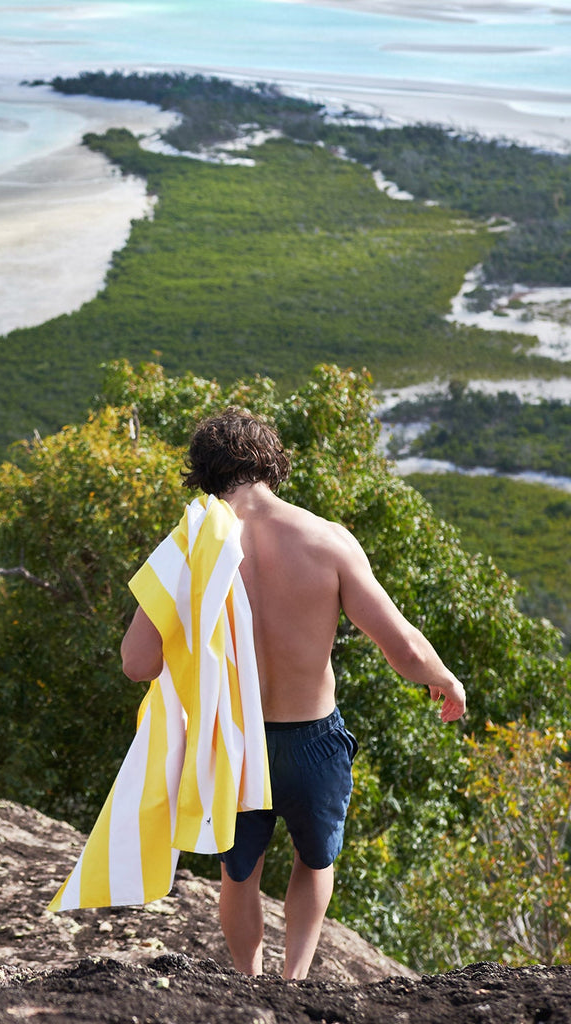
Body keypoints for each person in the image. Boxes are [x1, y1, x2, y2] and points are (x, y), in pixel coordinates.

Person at [120, 408, 467, 981]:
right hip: (313, 740)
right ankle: (295, 980)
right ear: (271, 462)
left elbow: (137, 664)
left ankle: (249, 983)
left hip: (234, 742)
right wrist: (443, 677)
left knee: (240, 873)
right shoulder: (327, 539)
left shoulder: (186, 552)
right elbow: (401, 647)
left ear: (203, 474)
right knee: (315, 859)